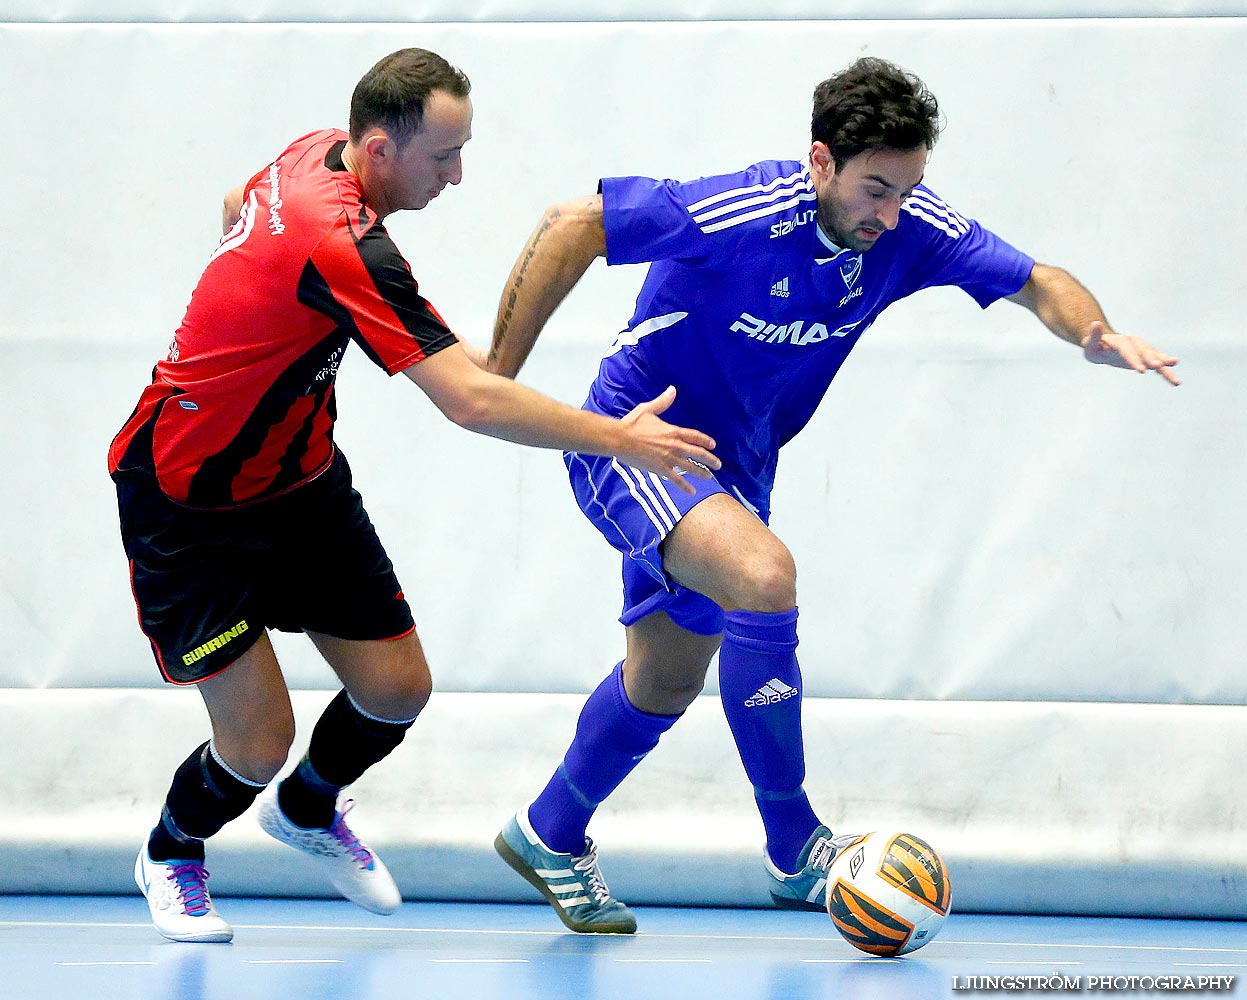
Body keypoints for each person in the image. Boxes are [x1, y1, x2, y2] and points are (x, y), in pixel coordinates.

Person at [483, 56, 1180, 934]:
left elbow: (1036, 278)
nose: (890, 216)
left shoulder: (909, 226)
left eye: (906, 190)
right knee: (765, 579)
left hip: (731, 467)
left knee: (662, 682)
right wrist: (500, 377)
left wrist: (1096, 331)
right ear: (821, 163)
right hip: (635, 438)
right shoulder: (741, 210)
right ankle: (793, 845)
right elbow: (570, 222)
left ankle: (548, 831)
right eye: (875, 190)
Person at [108, 47, 719, 945]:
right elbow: (470, 401)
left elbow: (241, 207)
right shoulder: (344, 244)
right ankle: (170, 852)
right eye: (443, 156)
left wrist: (255, 308)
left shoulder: (313, 152)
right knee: (257, 743)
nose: (457, 176)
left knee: (395, 690)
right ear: (380, 148)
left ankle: (308, 812)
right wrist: (621, 438)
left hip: (300, 482)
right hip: (186, 501)